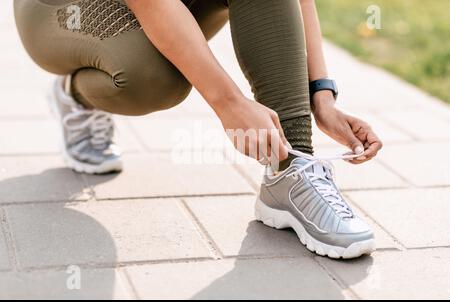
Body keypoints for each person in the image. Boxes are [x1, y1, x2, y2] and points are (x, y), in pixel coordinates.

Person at [14, 0, 382, 259]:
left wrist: (321, 95)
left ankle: (291, 172)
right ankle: (75, 95)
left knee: (166, 62)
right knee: (154, 78)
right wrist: (229, 102)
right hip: (59, 8)